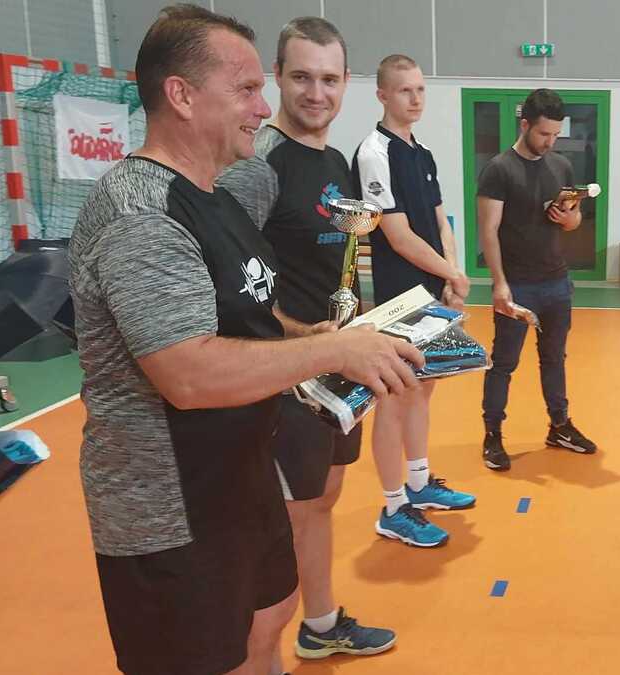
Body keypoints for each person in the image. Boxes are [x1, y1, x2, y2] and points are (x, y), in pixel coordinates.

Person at [68, 6, 422, 674]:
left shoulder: (214, 199)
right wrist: (331, 351)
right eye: (247, 90)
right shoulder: (141, 214)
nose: (264, 108)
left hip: (240, 476)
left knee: (270, 619)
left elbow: (246, 312)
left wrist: (310, 333)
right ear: (181, 95)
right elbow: (189, 373)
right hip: (172, 504)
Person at [217, 17, 396, 666]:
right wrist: (304, 342)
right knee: (282, 525)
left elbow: (335, 265)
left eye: (328, 79)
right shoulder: (257, 167)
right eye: (300, 77)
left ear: (346, 82)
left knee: (322, 502)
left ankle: (320, 625)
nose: (315, 93)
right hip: (284, 378)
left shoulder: (334, 161)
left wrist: (362, 330)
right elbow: (231, 282)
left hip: (335, 369)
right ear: (277, 77)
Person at [351, 54, 477, 548]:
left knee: (424, 389)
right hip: (397, 299)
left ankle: (420, 484)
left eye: (420, 89)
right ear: (382, 94)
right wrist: (451, 273)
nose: (416, 98)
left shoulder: (422, 153)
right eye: (405, 90)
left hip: (432, 291)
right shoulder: (373, 153)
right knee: (394, 399)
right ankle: (392, 507)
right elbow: (398, 235)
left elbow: (441, 221)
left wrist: (452, 276)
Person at [476, 88, 598, 471]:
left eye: (556, 134)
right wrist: (499, 284)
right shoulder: (498, 170)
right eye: (544, 133)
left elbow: (574, 220)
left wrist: (570, 218)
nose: (550, 142)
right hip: (517, 285)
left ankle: (559, 426)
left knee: (554, 359)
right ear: (525, 124)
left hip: (556, 282)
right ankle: (493, 434)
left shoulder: (560, 166)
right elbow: (488, 232)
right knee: (504, 363)